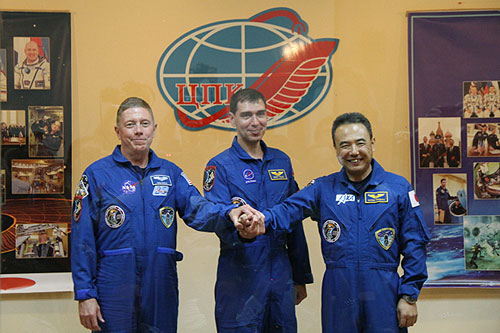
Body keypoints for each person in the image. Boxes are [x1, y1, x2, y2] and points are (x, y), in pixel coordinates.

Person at [71, 97, 261, 332]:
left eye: (144, 123)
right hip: (113, 284)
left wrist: (229, 213)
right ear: (117, 131)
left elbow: (199, 209)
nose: (139, 131)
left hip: (160, 282)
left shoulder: (170, 174)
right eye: (130, 125)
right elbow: (82, 241)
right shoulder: (97, 175)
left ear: (154, 129)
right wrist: (85, 294)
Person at [232, 112, 430, 332]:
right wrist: (260, 218)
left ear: (373, 143)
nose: (354, 152)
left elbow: (415, 244)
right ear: (335, 149)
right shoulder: (323, 188)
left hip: (384, 291)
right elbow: (288, 210)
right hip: (339, 291)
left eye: (360, 143)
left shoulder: (398, 188)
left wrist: (409, 296)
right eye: (344, 145)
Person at [203, 88, 313, 332]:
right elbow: (216, 216)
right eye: (246, 115)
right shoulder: (219, 165)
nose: (255, 122)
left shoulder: (281, 161)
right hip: (240, 271)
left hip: (280, 271)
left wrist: (300, 275)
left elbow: (293, 219)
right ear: (232, 120)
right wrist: (241, 231)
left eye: (261, 114)